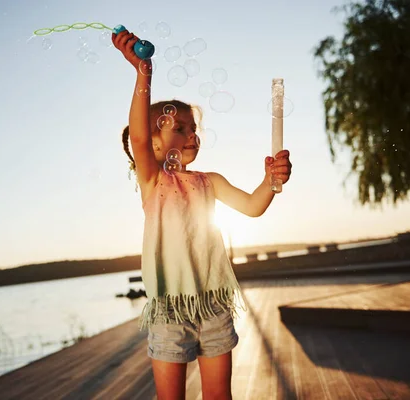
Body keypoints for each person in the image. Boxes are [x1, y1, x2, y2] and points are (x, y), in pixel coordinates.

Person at [112, 28, 292, 400]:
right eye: (179, 128)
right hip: (170, 309)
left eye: (193, 128)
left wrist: (272, 181)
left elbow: (253, 206)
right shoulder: (152, 181)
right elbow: (139, 140)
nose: (192, 135)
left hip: (213, 305)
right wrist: (143, 73)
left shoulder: (210, 181)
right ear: (155, 141)